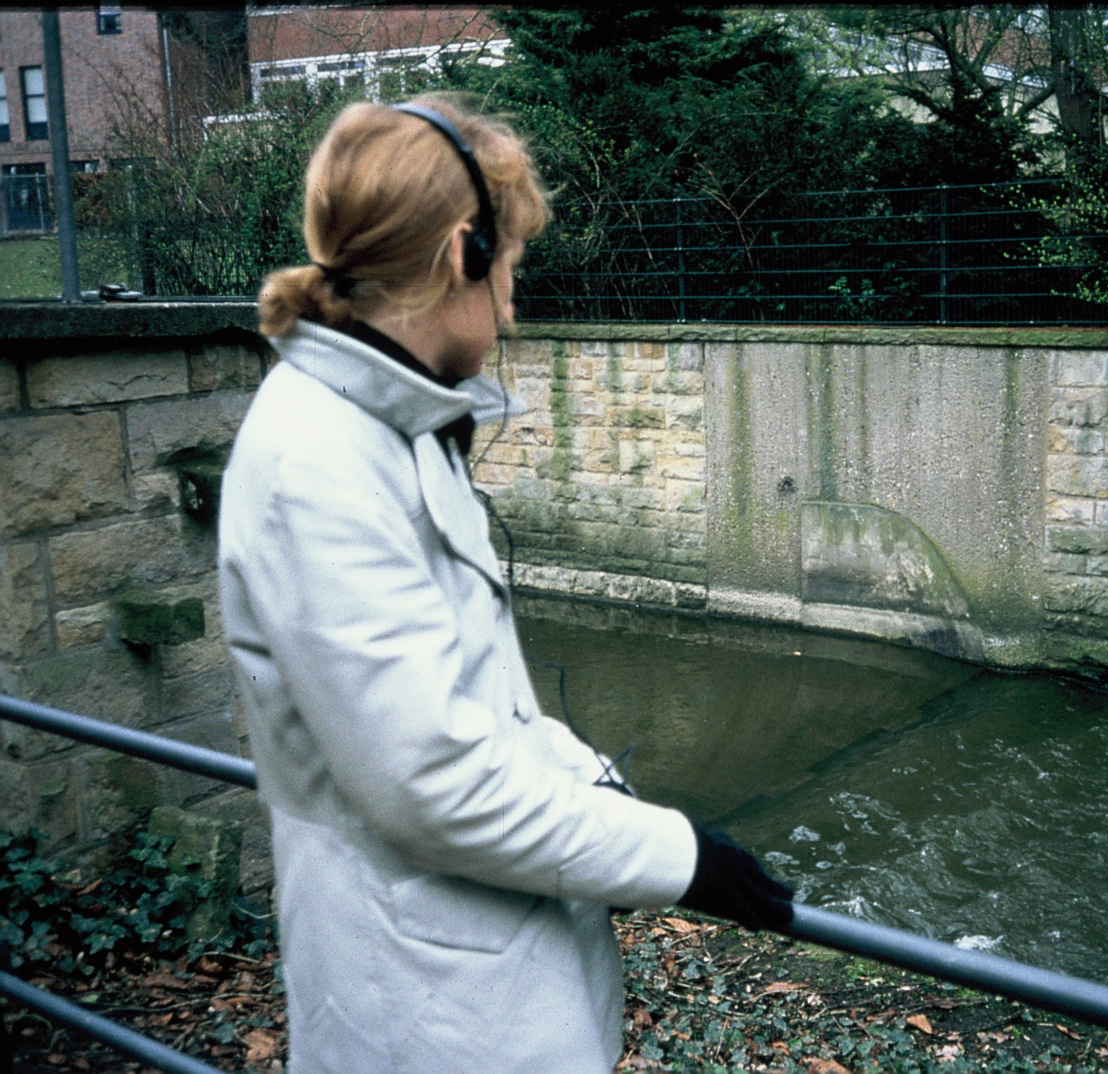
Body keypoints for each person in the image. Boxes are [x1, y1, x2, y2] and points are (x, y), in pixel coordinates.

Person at [218, 96, 792, 1074]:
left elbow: (480, 711)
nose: (515, 303)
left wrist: (599, 795)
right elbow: (431, 786)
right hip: (430, 1023)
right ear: (462, 255)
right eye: (512, 265)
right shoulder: (315, 462)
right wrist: (680, 861)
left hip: (487, 993)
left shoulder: (392, 430)